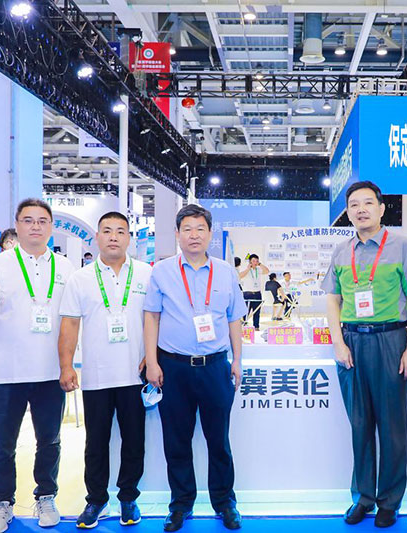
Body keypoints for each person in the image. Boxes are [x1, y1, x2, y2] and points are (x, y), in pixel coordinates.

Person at [0, 198, 75, 533]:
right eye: (28, 221)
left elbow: (73, 320)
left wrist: (69, 364)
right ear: (17, 225)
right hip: (6, 373)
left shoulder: (66, 268)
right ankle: (2, 504)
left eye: (42, 221)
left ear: (51, 227)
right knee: (3, 445)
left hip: (50, 372)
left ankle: (46, 496)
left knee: (50, 441)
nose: (35, 227)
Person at [322, 181, 407, 528]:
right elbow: (333, 298)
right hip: (352, 342)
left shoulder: (402, 246)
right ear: (348, 212)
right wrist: (338, 342)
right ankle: (363, 497)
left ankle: (389, 501)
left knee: (392, 427)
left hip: (391, 340)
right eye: (354, 204)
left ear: (381, 209)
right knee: (360, 424)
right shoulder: (342, 251)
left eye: (368, 203)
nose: (361, 209)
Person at [143, 204, 247, 532]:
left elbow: (234, 318)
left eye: (200, 229)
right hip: (173, 367)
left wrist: (237, 360)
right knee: (176, 440)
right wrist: (152, 361)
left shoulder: (225, 271)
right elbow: (151, 317)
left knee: (219, 440)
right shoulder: (162, 271)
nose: (194, 235)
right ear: (177, 234)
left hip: (216, 367)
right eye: (187, 229)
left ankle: (224, 502)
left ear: (210, 234)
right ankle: (180, 503)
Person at [57, 211, 152, 528]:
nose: (114, 236)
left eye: (120, 231)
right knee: (96, 443)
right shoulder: (81, 278)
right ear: (97, 237)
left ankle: (128, 498)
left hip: (135, 374)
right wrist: (66, 366)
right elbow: (70, 324)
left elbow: (156, 319)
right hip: (96, 376)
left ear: (129, 238)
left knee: (134, 441)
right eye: (107, 231)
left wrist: (152, 357)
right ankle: (96, 500)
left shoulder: (146, 274)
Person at [238, 254, 269, 330]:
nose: (255, 262)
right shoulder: (245, 268)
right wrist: (248, 269)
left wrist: (260, 264)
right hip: (248, 293)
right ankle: (243, 327)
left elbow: (267, 271)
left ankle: (256, 327)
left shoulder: (258, 269)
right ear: (250, 261)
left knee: (257, 312)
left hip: (257, 293)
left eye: (257, 261)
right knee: (245, 312)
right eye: (253, 261)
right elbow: (240, 276)